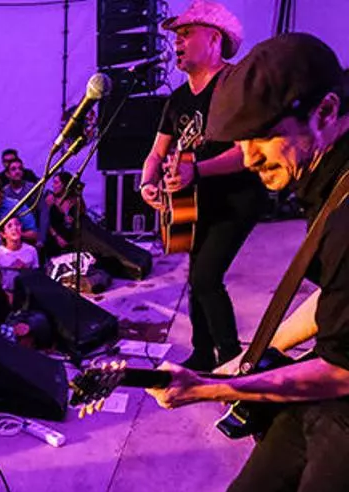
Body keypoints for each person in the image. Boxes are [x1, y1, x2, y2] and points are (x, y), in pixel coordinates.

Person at [145, 33, 349, 492]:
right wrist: (244, 361)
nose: (249, 156)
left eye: (263, 136)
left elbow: (341, 368)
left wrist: (207, 389)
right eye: (242, 140)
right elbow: (335, 300)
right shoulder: (327, 175)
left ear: (325, 111)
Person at [139, 0, 264, 371]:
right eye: (176, 35)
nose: (177, 41)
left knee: (206, 276)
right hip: (194, 204)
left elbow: (247, 152)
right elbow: (155, 154)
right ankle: (202, 352)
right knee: (196, 278)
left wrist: (198, 170)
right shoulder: (177, 99)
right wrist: (147, 183)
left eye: (186, 33)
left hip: (237, 199)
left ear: (214, 39)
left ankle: (232, 358)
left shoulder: (234, 86)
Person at [0, 217, 39, 293]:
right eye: (9, 226)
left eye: (17, 224)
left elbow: (37, 276)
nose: (14, 228)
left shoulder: (31, 250)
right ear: (3, 234)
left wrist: (25, 269)